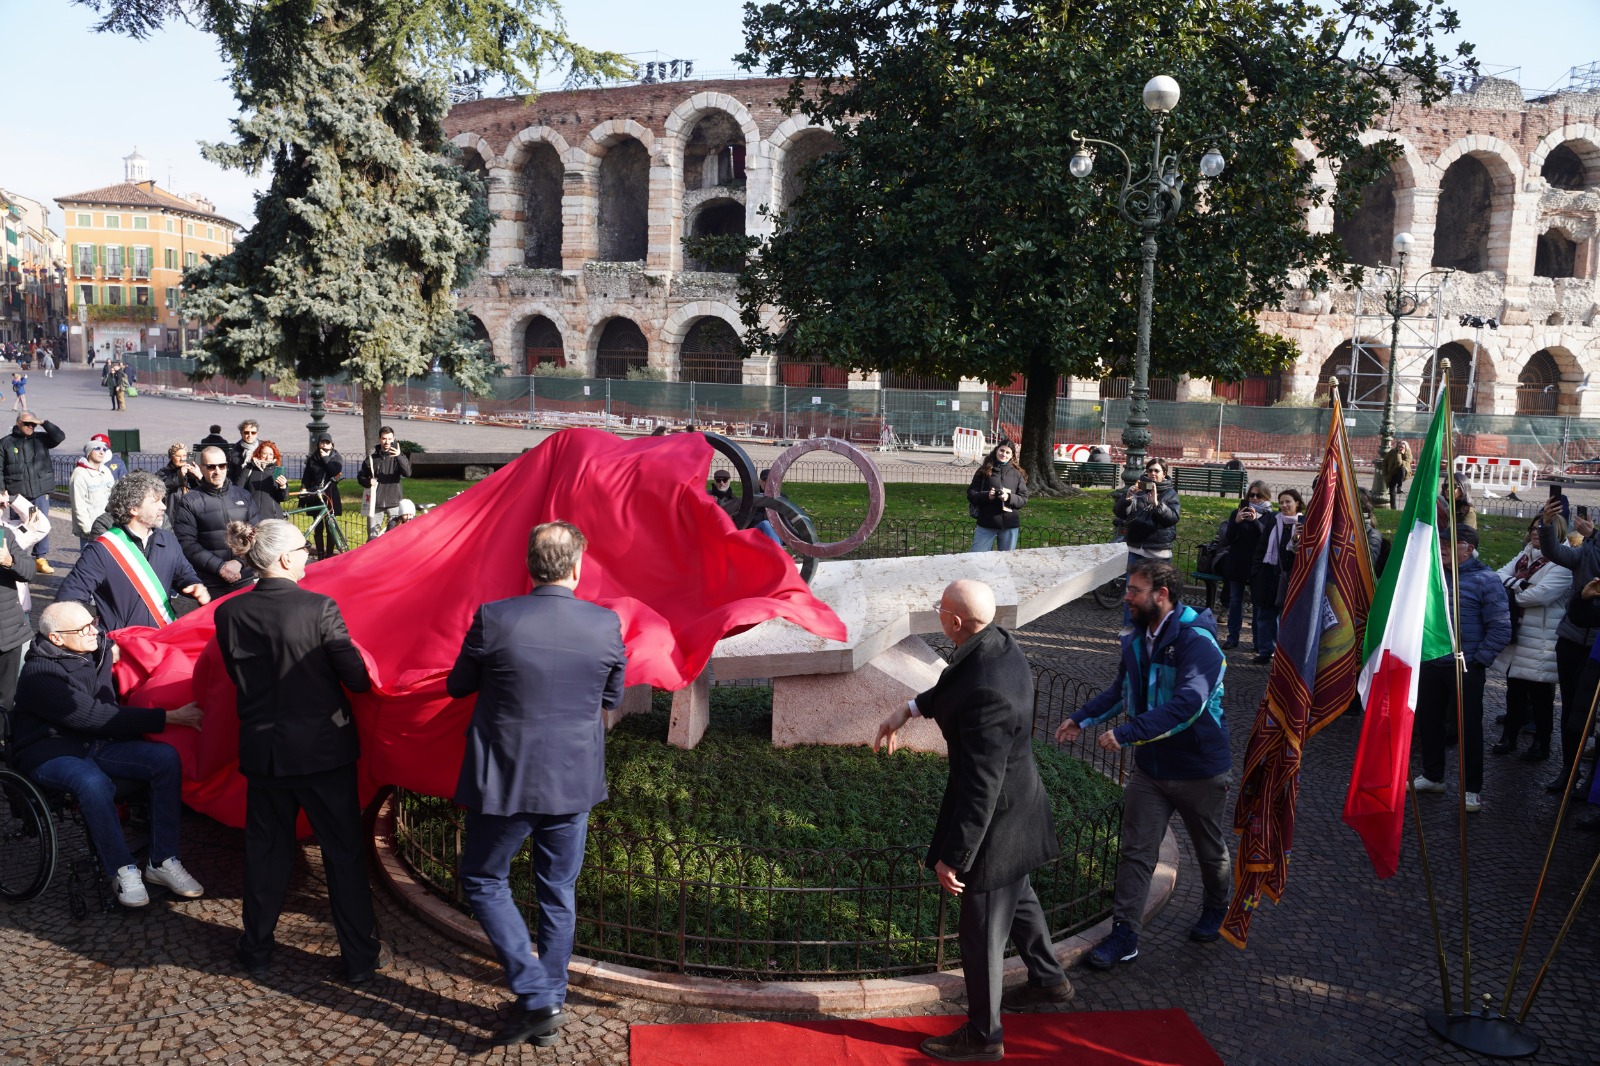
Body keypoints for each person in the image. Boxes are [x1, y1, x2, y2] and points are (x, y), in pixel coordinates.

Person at [874, 578, 1071, 1062]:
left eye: (940, 608)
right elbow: (954, 684)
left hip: (998, 824)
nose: (937, 613)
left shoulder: (988, 694)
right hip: (1022, 807)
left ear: (954, 622)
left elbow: (981, 788)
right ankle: (1049, 980)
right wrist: (907, 709)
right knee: (1019, 899)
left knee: (980, 932)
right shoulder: (996, 643)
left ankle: (985, 1038)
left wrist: (954, 858)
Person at [447, 521, 627, 1049]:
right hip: (573, 779)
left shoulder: (493, 618)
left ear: (531, 566)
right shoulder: (605, 623)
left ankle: (536, 992)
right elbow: (610, 698)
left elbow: (458, 685)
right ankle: (549, 996)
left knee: (483, 877)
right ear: (577, 568)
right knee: (557, 890)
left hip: (505, 777)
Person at [212, 519, 386, 981]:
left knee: (266, 852)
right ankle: (359, 957)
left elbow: (237, 676)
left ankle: (256, 948)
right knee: (342, 853)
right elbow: (356, 678)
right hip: (322, 752)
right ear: (286, 558)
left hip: (263, 750)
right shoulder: (319, 608)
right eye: (304, 548)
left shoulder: (228, 613)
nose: (310, 554)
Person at [1059, 560, 1231, 967]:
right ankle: (1125, 936)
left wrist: (1126, 733)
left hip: (1198, 768)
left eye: (1135, 590)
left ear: (1162, 594)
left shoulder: (1198, 642)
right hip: (1151, 769)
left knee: (1209, 848)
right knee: (1136, 852)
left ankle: (1216, 905)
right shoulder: (1137, 637)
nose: (1127, 597)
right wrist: (1082, 718)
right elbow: (1123, 690)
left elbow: (1189, 704)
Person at [9, 601, 205, 907]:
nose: (94, 632)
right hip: (49, 750)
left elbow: (131, 643)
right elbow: (91, 717)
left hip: (96, 743)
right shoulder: (39, 674)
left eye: (94, 622)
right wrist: (169, 717)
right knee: (91, 781)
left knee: (164, 759)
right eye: (84, 628)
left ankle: (163, 860)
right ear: (57, 639)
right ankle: (121, 869)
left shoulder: (94, 647)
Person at [1412, 524, 1509, 811]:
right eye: (1439, 544)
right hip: (1431, 660)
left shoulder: (1486, 580)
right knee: (1429, 722)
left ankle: (1472, 790)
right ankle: (1433, 776)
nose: (1441, 549)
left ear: (1469, 548)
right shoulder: (1431, 577)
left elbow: (1501, 627)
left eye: (1448, 544)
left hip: (1466, 665)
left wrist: (1478, 659)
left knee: (1469, 728)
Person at [58, 472, 210, 631]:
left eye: (162, 500)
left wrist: (194, 584)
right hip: (120, 646)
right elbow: (68, 599)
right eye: (155, 501)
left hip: (161, 640)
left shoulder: (168, 540)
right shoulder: (101, 550)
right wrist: (90, 632)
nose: (163, 506)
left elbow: (184, 574)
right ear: (133, 508)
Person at [1491, 516, 1570, 763]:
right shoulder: (1526, 554)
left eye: (1542, 529)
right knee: (1513, 690)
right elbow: (1497, 577)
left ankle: (1541, 743)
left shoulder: (1563, 561)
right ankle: (1509, 737)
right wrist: (1521, 585)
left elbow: (1539, 596)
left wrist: (1513, 589)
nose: (1536, 532)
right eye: (1533, 528)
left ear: (1555, 532)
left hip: (1542, 637)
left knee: (1541, 695)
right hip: (1518, 630)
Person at [1537, 496, 1600, 796]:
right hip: (1573, 638)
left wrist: (1594, 536)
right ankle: (1568, 770)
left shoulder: (1593, 543)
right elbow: (1554, 552)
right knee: (1572, 710)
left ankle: (1591, 780)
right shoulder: (1586, 549)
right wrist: (1546, 524)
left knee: (1591, 714)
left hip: (1596, 644)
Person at [173, 446, 261, 599]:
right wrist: (220, 567)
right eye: (211, 467)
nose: (217, 471)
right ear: (201, 468)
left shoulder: (243, 495)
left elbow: (257, 533)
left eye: (222, 466)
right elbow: (186, 543)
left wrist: (239, 562)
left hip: (244, 577)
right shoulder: (190, 501)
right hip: (210, 582)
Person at [1112, 457, 1180, 628]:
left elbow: (1172, 519)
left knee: (1156, 595)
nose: (1153, 474)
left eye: (1157, 471)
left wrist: (1157, 503)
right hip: (1136, 549)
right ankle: (1130, 628)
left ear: (1164, 474)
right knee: (1133, 591)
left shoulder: (1171, 494)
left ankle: (1154, 628)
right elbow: (1121, 513)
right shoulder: (1138, 490)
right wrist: (1127, 498)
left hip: (1159, 552)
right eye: (1150, 470)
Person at [0, 413, 65, 574]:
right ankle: (17, 556)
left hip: (40, 491)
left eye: (33, 424)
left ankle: (40, 558)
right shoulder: (5, 443)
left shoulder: (41, 439)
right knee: (19, 528)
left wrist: (44, 422)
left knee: (40, 524)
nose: (31, 426)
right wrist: (2, 491)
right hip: (18, 493)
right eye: (27, 423)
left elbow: (59, 436)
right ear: (18, 423)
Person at [1249, 488, 1304, 664]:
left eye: (1288, 501)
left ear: (1297, 503)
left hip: (1291, 576)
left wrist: (1296, 539)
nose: (1284, 505)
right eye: (1281, 502)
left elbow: (1303, 553)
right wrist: (1255, 572)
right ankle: (1266, 650)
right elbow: (1262, 546)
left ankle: (1284, 653)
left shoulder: (1303, 524)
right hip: (1269, 573)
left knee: (1286, 616)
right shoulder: (1274, 521)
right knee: (1265, 614)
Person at [1218, 480, 1271, 650]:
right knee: (1235, 602)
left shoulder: (1270, 516)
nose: (1254, 499)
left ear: (1265, 496)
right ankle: (1232, 637)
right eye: (1251, 495)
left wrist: (1255, 521)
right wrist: (1236, 522)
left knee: (1257, 605)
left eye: (1258, 495)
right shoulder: (1238, 513)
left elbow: (1267, 539)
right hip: (1237, 564)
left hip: (1257, 567)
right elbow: (1228, 539)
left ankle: (1257, 641)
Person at [967, 439, 1028, 553]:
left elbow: (1023, 499)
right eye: (1001, 450)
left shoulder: (1017, 474)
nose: (1003, 454)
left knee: (1006, 561)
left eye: (1007, 452)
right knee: (977, 557)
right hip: (986, 523)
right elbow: (971, 493)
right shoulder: (984, 471)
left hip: (1009, 525)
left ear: (1012, 456)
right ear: (996, 450)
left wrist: (1008, 497)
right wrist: (986, 496)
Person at [357, 426, 411, 539]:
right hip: (376, 503)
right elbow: (360, 477)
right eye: (384, 438)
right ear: (379, 439)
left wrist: (399, 456)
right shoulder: (372, 459)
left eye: (390, 439)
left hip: (394, 502)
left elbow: (407, 473)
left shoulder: (399, 457)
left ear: (393, 439)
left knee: (395, 536)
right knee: (372, 537)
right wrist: (368, 481)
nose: (387, 442)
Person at [0, 519, 31, 712]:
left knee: (6, 698)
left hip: (7, 634)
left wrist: (10, 561)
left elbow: (29, 572)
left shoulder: (4, 535)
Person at [300, 433, 345, 558]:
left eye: (327, 443)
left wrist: (326, 459)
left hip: (330, 493)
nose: (324, 445)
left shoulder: (336, 457)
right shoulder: (312, 458)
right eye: (322, 442)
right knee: (318, 526)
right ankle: (320, 554)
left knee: (330, 525)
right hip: (316, 494)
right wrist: (303, 490)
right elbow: (306, 477)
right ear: (318, 444)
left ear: (332, 445)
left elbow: (335, 471)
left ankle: (329, 554)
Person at [70, 440, 117, 548]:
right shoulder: (80, 474)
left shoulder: (106, 471)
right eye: (97, 448)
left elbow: (114, 497)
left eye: (104, 449)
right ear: (89, 452)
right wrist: (88, 530)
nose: (102, 452)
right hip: (91, 529)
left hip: (109, 525)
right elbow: (78, 505)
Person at [238, 439, 288, 521]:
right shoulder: (249, 469)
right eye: (265, 454)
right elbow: (238, 490)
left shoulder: (277, 470)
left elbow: (283, 498)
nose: (268, 457)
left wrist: (283, 486)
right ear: (259, 454)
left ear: (274, 456)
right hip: (251, 517)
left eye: (271, 454)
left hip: (273, 518)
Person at [159, 441, 203, 521]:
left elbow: (203, 490)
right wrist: (180, 474)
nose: (182, 459)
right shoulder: (163, 472)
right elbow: (161, 487)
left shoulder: (190, 471)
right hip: (172, 516)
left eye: (185, 455)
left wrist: (199, 477)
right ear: (171, 457)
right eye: (178, 456)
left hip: (191, 513)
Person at [1382, 439, 1411, 509]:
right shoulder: (1392, 452)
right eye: (1399, 446)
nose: (1400, 448)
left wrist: (1399, 454)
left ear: (1405, 448)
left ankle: (1399, 486)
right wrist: (1385, 473)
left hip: (1402, 473)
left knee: (1402, 468)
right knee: (1392, 492)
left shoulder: (1408, 453)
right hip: (1391, 473)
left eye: (1402, 447)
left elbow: (1399, 464)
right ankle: (1393, 508)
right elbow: (1385, 461)